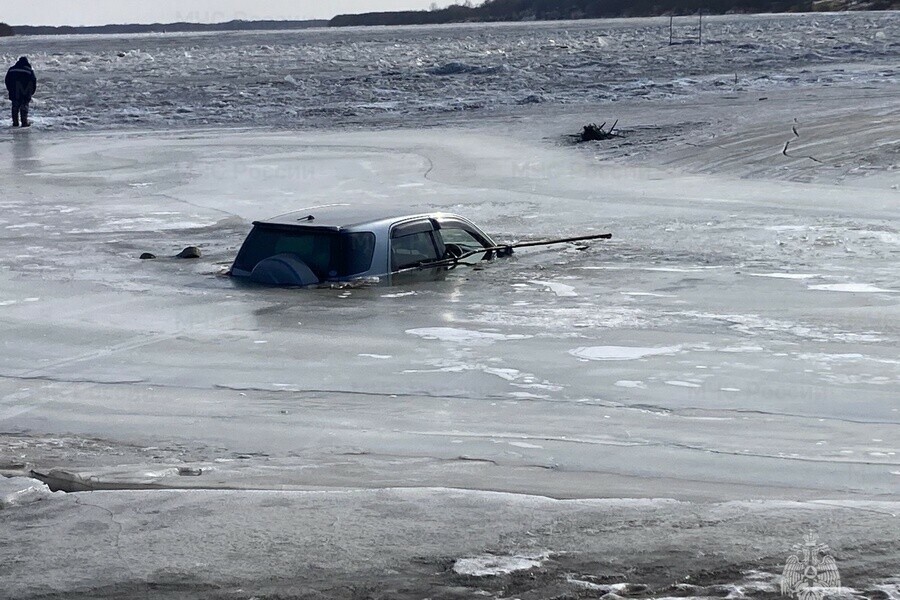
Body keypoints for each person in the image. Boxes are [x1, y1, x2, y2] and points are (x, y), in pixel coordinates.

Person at [5, 56, 37, 128]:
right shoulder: (29, 71)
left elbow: (7, 80)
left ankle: (15, 122)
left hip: (14, 91)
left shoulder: (11, 69)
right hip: (25, 92)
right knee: (24, 106)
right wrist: (32, 92)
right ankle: (24, 122)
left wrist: (10, 89)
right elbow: (33, 81)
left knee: (15, 107)